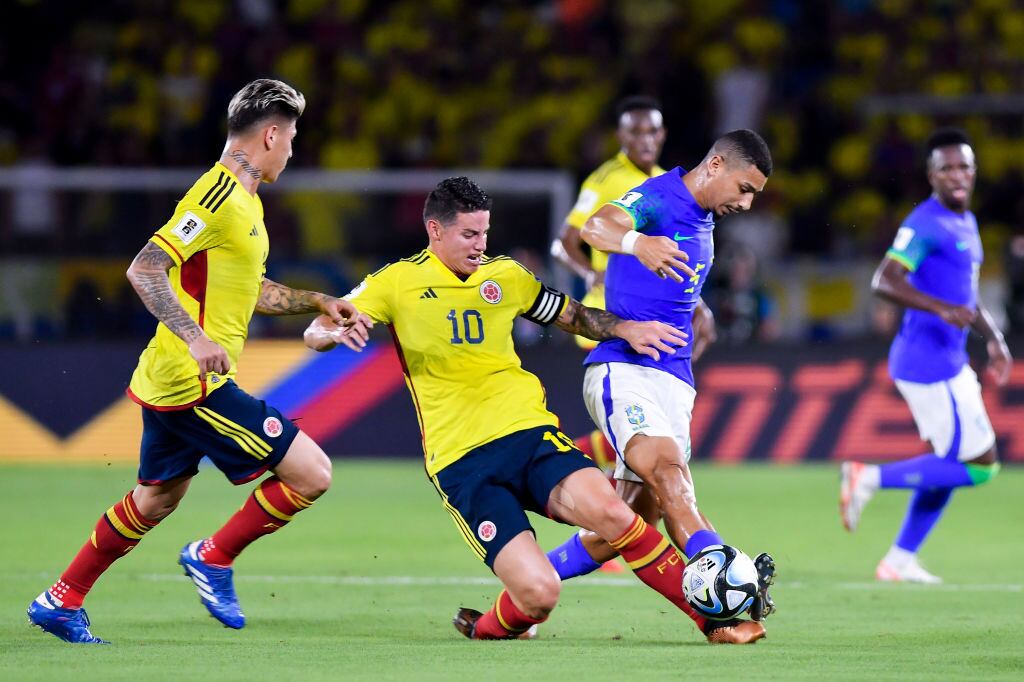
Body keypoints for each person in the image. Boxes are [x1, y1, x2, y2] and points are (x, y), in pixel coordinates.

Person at [305, 177, 752, 644]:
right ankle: (486, 627)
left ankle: (713, 621)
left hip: (529, 435)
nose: (481, 246)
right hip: (462, 462)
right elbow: (320, 326)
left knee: (619, 517)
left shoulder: (507, 276)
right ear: (435, 231)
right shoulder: (395, 282)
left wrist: (624, 329)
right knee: (540, 595)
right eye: (469, 235)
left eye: (485, 233)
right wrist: (332, 333)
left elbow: (574, 316)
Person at [27, 79, 370, 644]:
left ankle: (60, 599)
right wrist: (193, 336)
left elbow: (249, 289)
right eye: (292, 140)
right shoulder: (215, 196)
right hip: (194, 382)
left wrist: (316, 301)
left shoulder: (245, 204)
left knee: (156, 499)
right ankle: (212, 556)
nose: (293, 151)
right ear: (272, 134)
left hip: (174, 379)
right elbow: (144, 268)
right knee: (312, 473)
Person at [544, 130, 777, 637]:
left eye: (753, 194)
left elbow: (677, 284)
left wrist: (700, 308)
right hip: (623, 366)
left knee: (628, 524)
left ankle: (529, 583)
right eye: (744, 188)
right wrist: (637, 242)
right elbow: (597, 227)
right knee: (671, 473)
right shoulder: (658, 196)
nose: (746, 202)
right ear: (715, 164)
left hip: (674, 378)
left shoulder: (706, 220)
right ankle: (722, 593)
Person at [840, 129, 1011, 583]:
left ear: (973, 172)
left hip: (948, 361)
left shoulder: (966, 222)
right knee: (980, 466)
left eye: (964, 166)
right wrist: (941, 309)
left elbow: (966, 297)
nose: (957, 175)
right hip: (928, 363)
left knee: (954, 462)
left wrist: (992, 336)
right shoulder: (926, 223)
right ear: (931, 175)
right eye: (947, 168)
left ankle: (898, 561)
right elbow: (885, 280)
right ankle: (868, 478)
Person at [549, 95, 716, 513]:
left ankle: (611, 519)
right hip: (607, 315)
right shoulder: (604, 178)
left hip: (656, 317)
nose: (644, 138)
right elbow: (565, 241)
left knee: (638, 432)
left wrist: (699, 304)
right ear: (621, 135)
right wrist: (590, 274)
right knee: (631, 426)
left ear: (662, 135)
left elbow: (681, 255)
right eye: (634, 131)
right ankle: (567, 471)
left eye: (651, 130)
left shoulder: (668, 183)